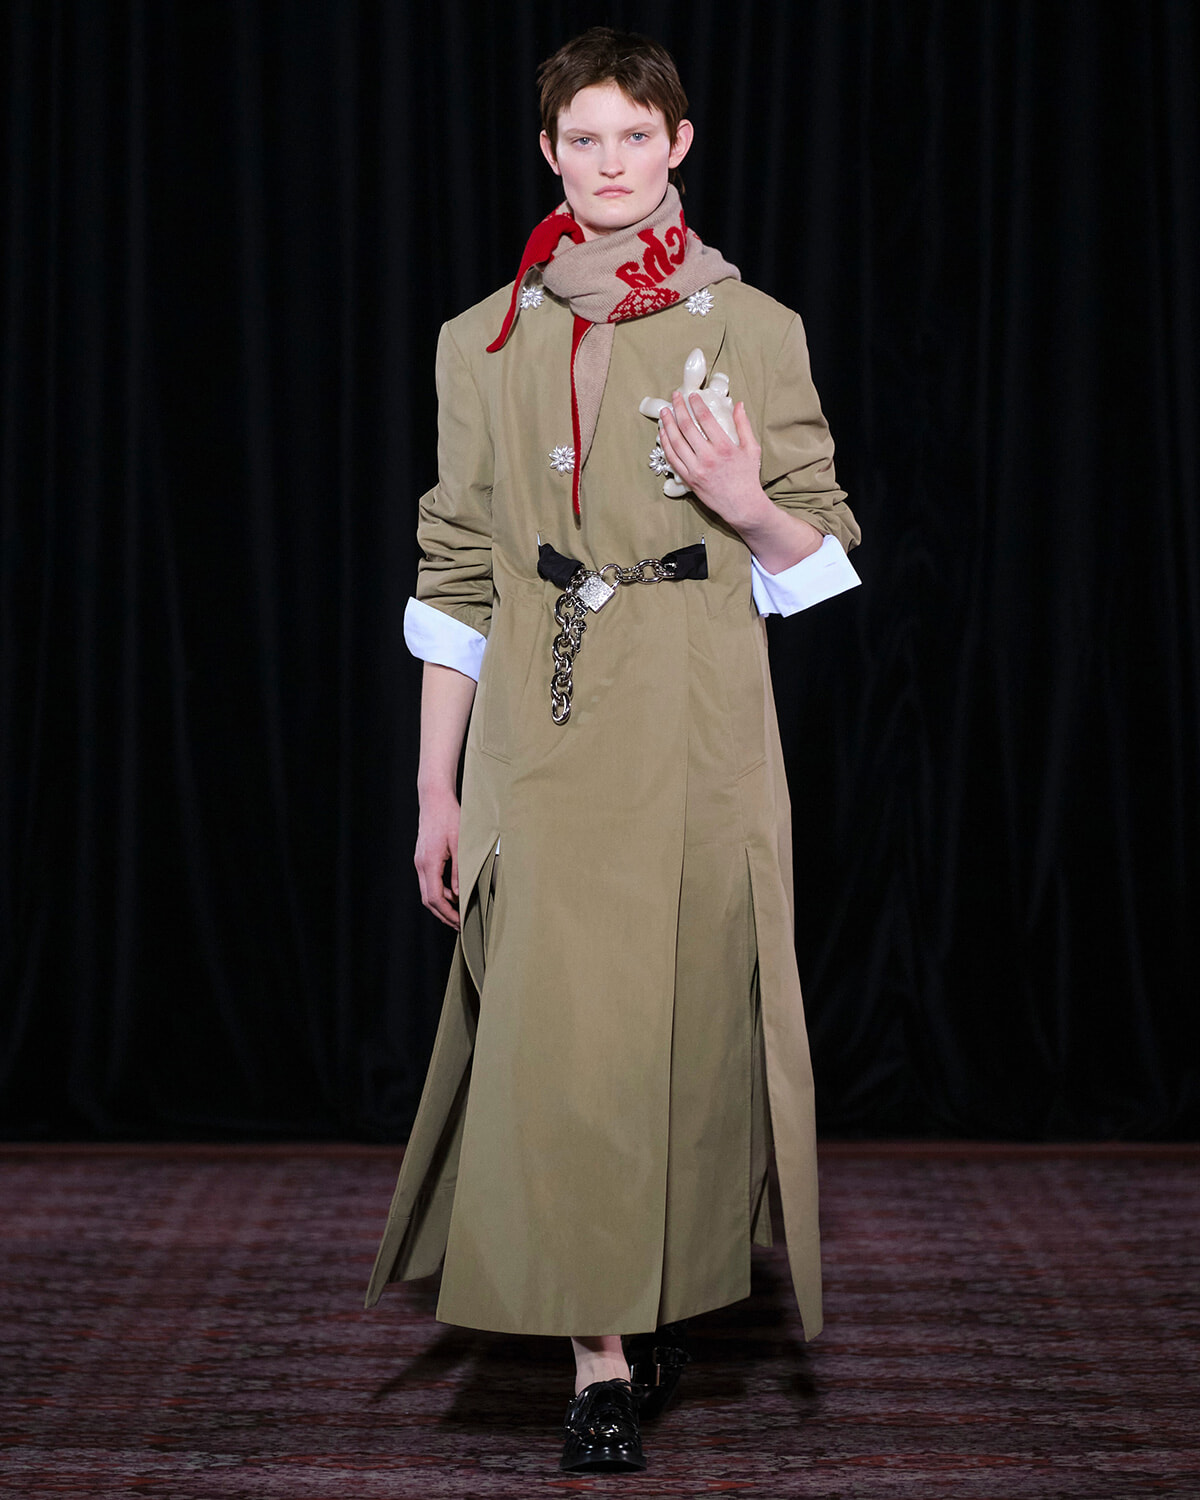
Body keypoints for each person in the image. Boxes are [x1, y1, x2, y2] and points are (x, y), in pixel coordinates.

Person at [366, 27, 861, 1474]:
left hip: (703, 720)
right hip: (547, 716)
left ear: (678, 147)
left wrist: (739, 496)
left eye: (633, 139)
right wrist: (434, 784)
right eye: (581, 140)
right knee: (571, 1039)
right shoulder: (483, 339)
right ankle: (596, 1356)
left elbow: (826, 556)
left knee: (691, 1032)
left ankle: (658, 1301)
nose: (608, 164)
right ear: (549, 155)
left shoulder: (753, 328)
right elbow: (455, 573)